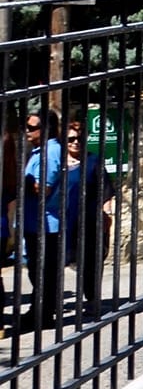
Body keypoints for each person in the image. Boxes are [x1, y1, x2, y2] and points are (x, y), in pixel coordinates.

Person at [58, 124, 115, 319]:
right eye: (71, 139)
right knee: (56, 262)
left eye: (79, 139)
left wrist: (107, 215)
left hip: (89, 221)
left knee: (90, 262)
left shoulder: (93, 161)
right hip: (61, 221)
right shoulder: (57, 162)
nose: (76, 143)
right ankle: (52, 302)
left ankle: (91, 300)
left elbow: (105, 190)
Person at [18, 110, 64, 328]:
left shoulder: (51, 152)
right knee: (38, 271)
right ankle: (39, 311)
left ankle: (43, 314)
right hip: (35, 223)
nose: (27, 131)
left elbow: (43, 189)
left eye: (32, 127)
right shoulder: (40, 151)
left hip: (46, 224)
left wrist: (22, 182)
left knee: (42, 271)